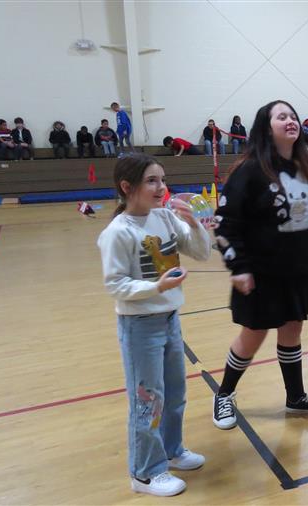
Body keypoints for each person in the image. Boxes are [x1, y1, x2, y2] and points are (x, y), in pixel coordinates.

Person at [211, 99, 308, 431]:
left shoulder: (305, 166)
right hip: (260, 272)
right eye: (281, 117)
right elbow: (225, 223)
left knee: (292, 330)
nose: (290, 120)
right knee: (253, 335)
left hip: (297, 270)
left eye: (292, 115)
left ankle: (296, 398)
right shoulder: (249, 170)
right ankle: (224, 394)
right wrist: (238, 266)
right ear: (267, 128)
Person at [97, 153, 212, 496]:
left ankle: (172, 450)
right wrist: (156, 287)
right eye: (151, 181)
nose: (161, 187)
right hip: (139, 327)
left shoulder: (164, 216)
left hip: (170, 319)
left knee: (175, 394)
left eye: (162, 179)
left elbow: (202, 254)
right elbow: (115, 285)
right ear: (126, 187)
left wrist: (195, 224)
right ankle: (145, 472)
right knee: (148, 401)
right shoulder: (118, 232)